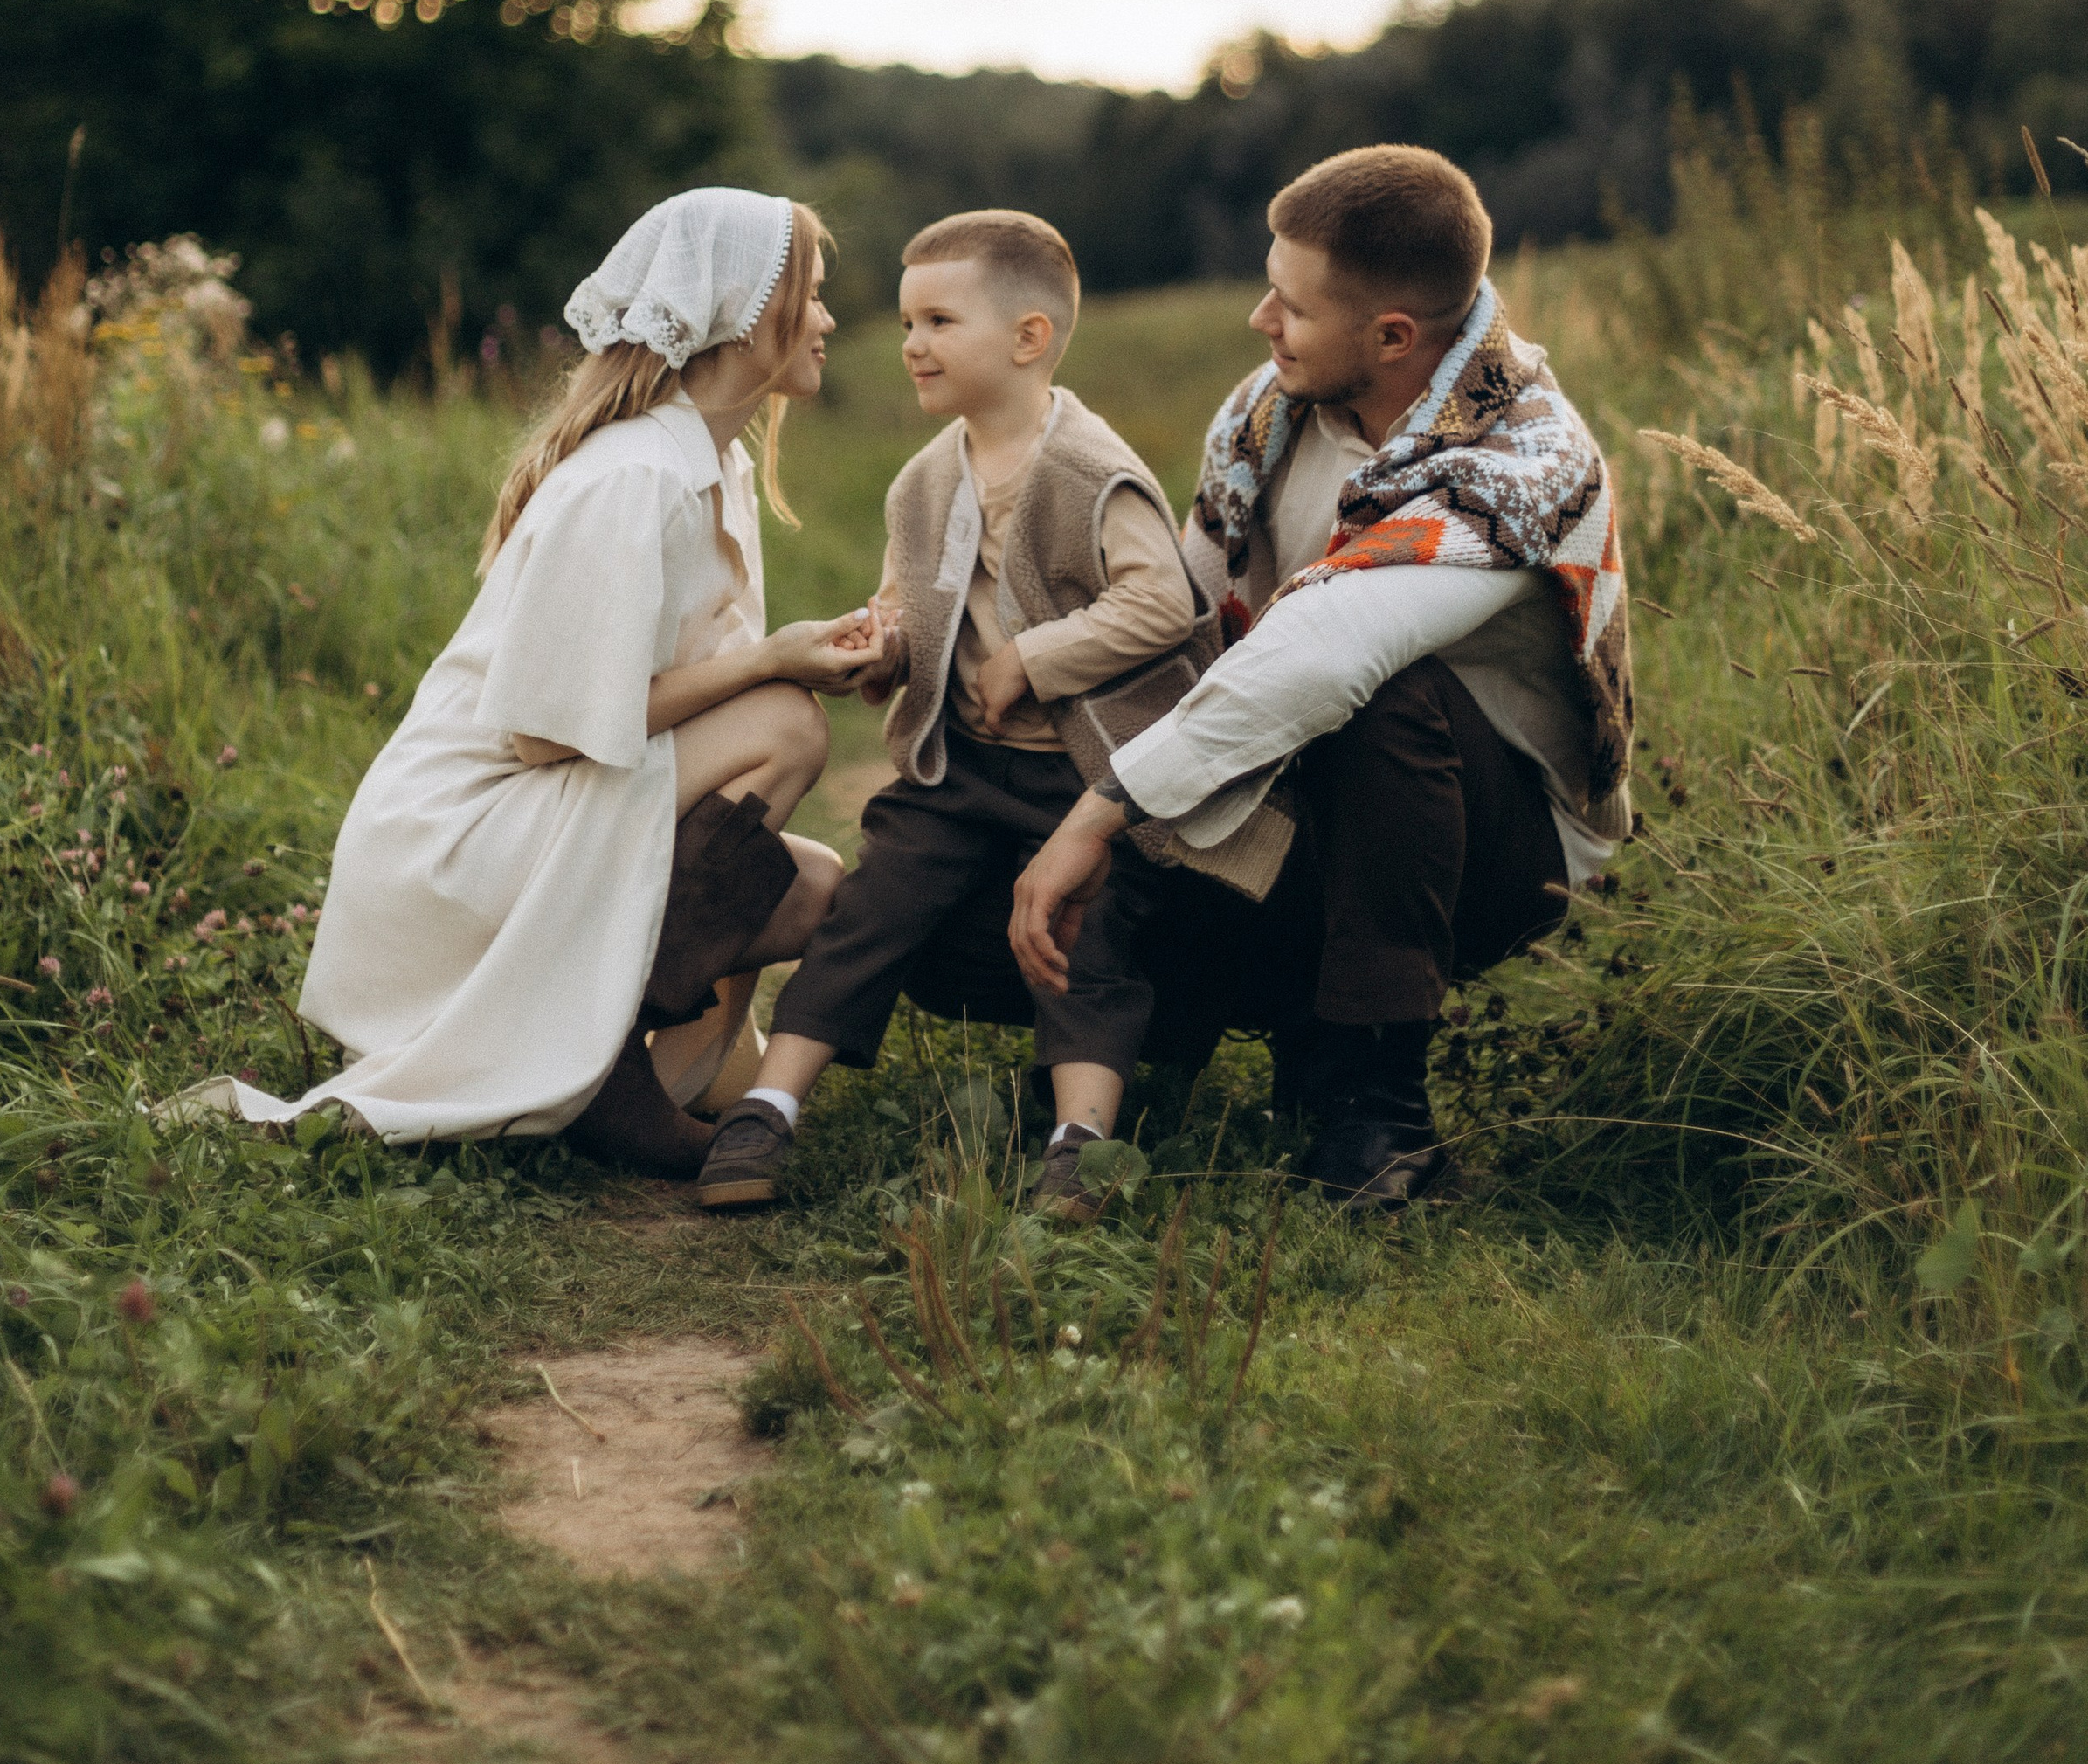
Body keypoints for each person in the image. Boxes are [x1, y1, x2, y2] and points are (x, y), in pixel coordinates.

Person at [180, 187, 880, 1162]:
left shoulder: (709, 468)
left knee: (809, 887)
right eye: (810, 293)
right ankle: (600, 1070)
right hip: (462, 838)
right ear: (747, 313)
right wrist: (772, 661)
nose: (828, 319)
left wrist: (827, 653)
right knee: (788, 726)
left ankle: (643, 1047)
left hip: (553, 815)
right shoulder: (632, 475)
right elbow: (545, 736)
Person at [1009, 144, 1634, 1210]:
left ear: (1393, 336)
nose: (1261, 319)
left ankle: (1374, 1105)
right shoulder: (1271, 407)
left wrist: (1098, 817)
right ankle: (1174, 1034)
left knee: (1386, 695)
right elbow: (1200, 616)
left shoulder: (1523, 464)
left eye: (1290, 305)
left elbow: (1325, 652)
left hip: (1492, 854)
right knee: (998, 883)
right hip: (1309, 794)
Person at [692, 208, 1218, 1218]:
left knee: (1085, 932)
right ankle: (768, 1106)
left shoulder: (1089, 470)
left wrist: (1037, 654)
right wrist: (884, 645)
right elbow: (910, 603)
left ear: (1029, 339)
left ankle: (1080, 1143)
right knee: (868, 908)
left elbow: (1161, 603)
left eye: (938, 321)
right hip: (959, 770)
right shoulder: (924, 481)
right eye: (905, 324)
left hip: (1080, 778)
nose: (911, 346)